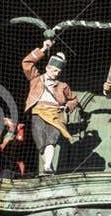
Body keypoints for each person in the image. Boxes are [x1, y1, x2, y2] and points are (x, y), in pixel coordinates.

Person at [21, 40, 80, 175]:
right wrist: (43, 49)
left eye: (59, 71)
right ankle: (49, 166)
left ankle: (47, 166)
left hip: (55, 113)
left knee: (51, 140)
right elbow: (26, 63)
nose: (56, 73)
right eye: (54, 70)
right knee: (40, 141)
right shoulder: (36, 79)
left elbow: (73, 99)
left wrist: (67, 107)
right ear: (47, 68)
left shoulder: (62, 86)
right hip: (38, 112)